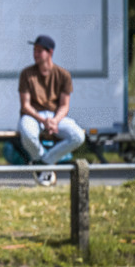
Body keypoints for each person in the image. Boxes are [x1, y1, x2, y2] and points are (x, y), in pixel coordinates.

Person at [18, 34, 86, 186]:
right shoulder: (26, 74)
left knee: (78, 136)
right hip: (33, 116)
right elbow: (25, 106)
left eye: (39, 51)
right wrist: (44, 121)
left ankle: (43, 163)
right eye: (34, 50)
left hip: (55, 116)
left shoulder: (63, 75)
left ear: (50, 53)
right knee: (27, 133)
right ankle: (45, 164)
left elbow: (64, 105)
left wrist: (54, 121)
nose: (35, 54)